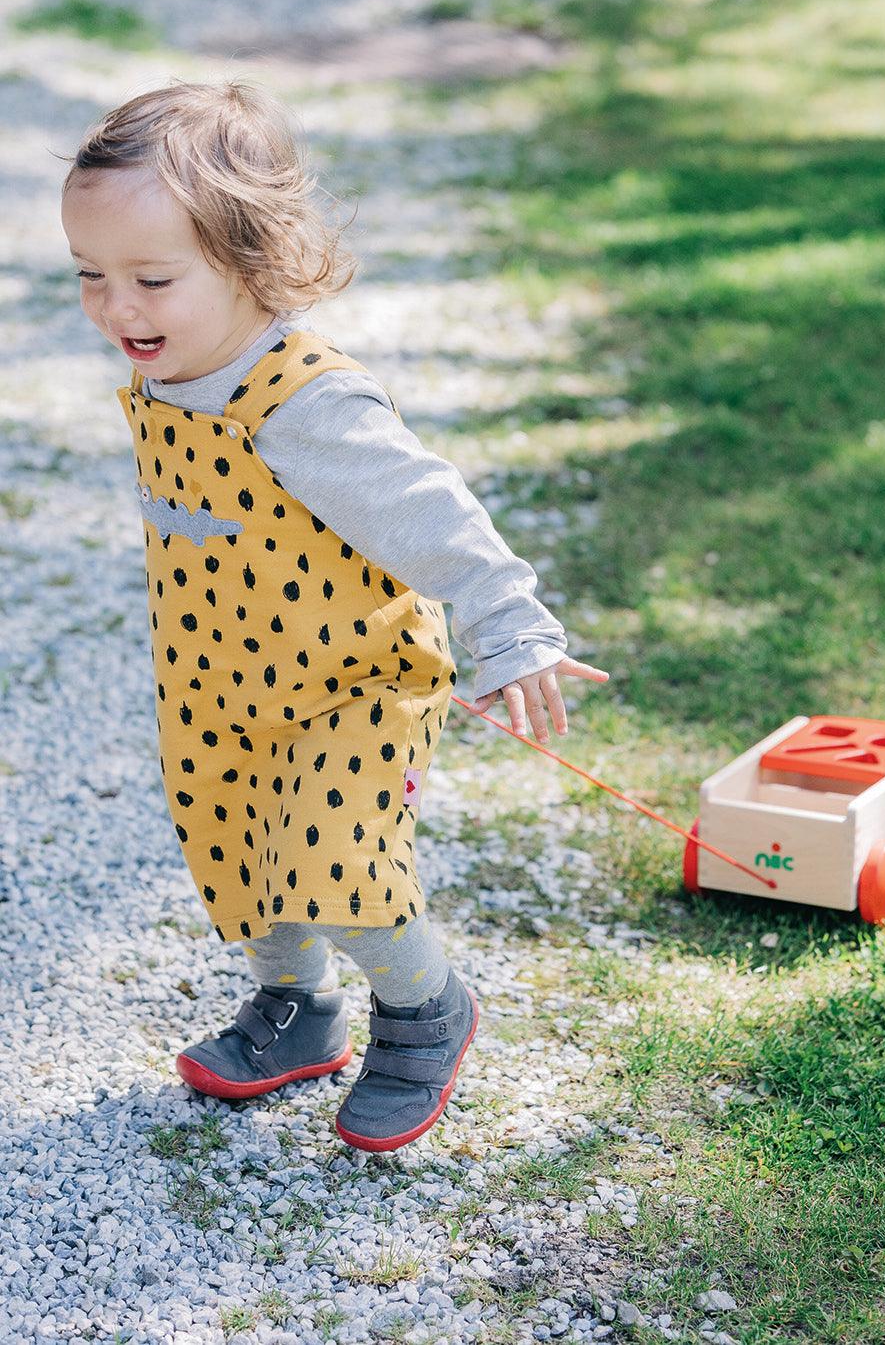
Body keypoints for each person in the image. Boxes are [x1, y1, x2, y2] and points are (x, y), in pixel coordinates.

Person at [60, 79, 609, 1152]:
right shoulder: (169, 377)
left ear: (250, 260)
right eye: (91, 276)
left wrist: (510, 623)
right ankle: (300, 1012)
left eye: (151, 279)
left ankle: (423, 1011)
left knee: (341, 867)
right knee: (235, 848)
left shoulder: (308, 403)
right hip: (216, 678)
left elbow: (432, 512)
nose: (117, 308)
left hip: (355, 686)